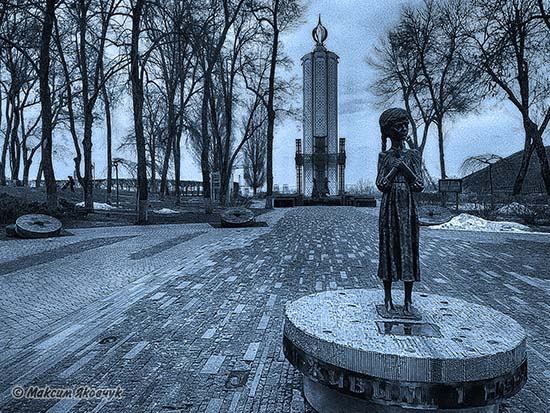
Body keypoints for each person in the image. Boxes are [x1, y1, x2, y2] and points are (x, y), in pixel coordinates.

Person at [375, 108, 424, 316]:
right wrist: (394, 169)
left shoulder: (413, 155)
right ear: (388, 131)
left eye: (405, 125)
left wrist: (406, 170)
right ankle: (387, 299)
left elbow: (419, 184)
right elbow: (381, 184)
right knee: (389, 247)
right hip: (389, 207)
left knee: (408, 248)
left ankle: (408, 300)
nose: (404, 129)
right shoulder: (384, 156)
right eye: (399, 126)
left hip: (408, 207)